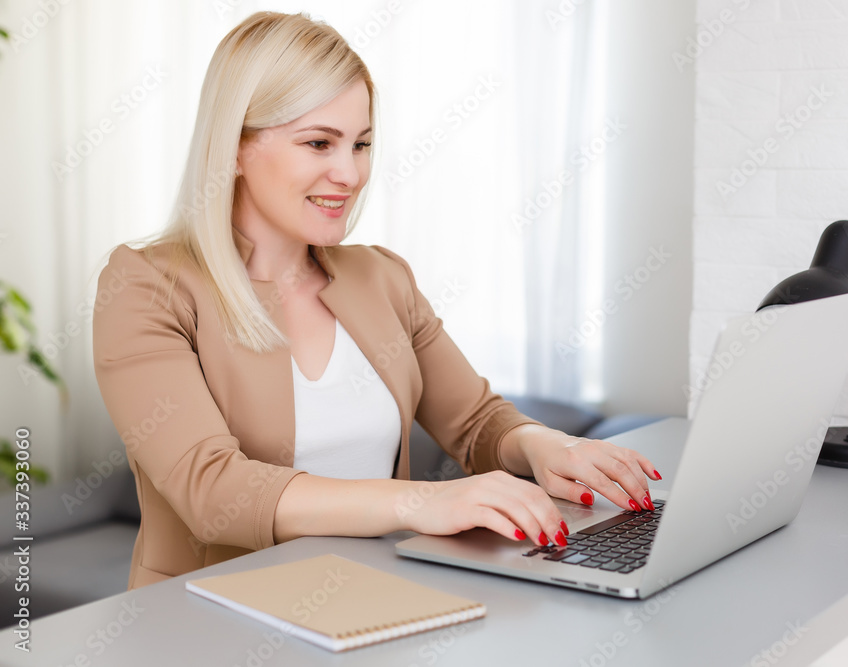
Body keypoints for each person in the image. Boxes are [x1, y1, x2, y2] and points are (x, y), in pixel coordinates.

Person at [92, 11, 660, 590]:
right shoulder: (145, 286)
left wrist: (546, 445)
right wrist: (420, 503)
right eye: (319, 143)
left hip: (371, 604)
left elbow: (477, 421)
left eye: (361, 144)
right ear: (234, 149)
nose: (350, 173)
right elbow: (212, 492)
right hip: (207, 623)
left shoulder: (380, 277)